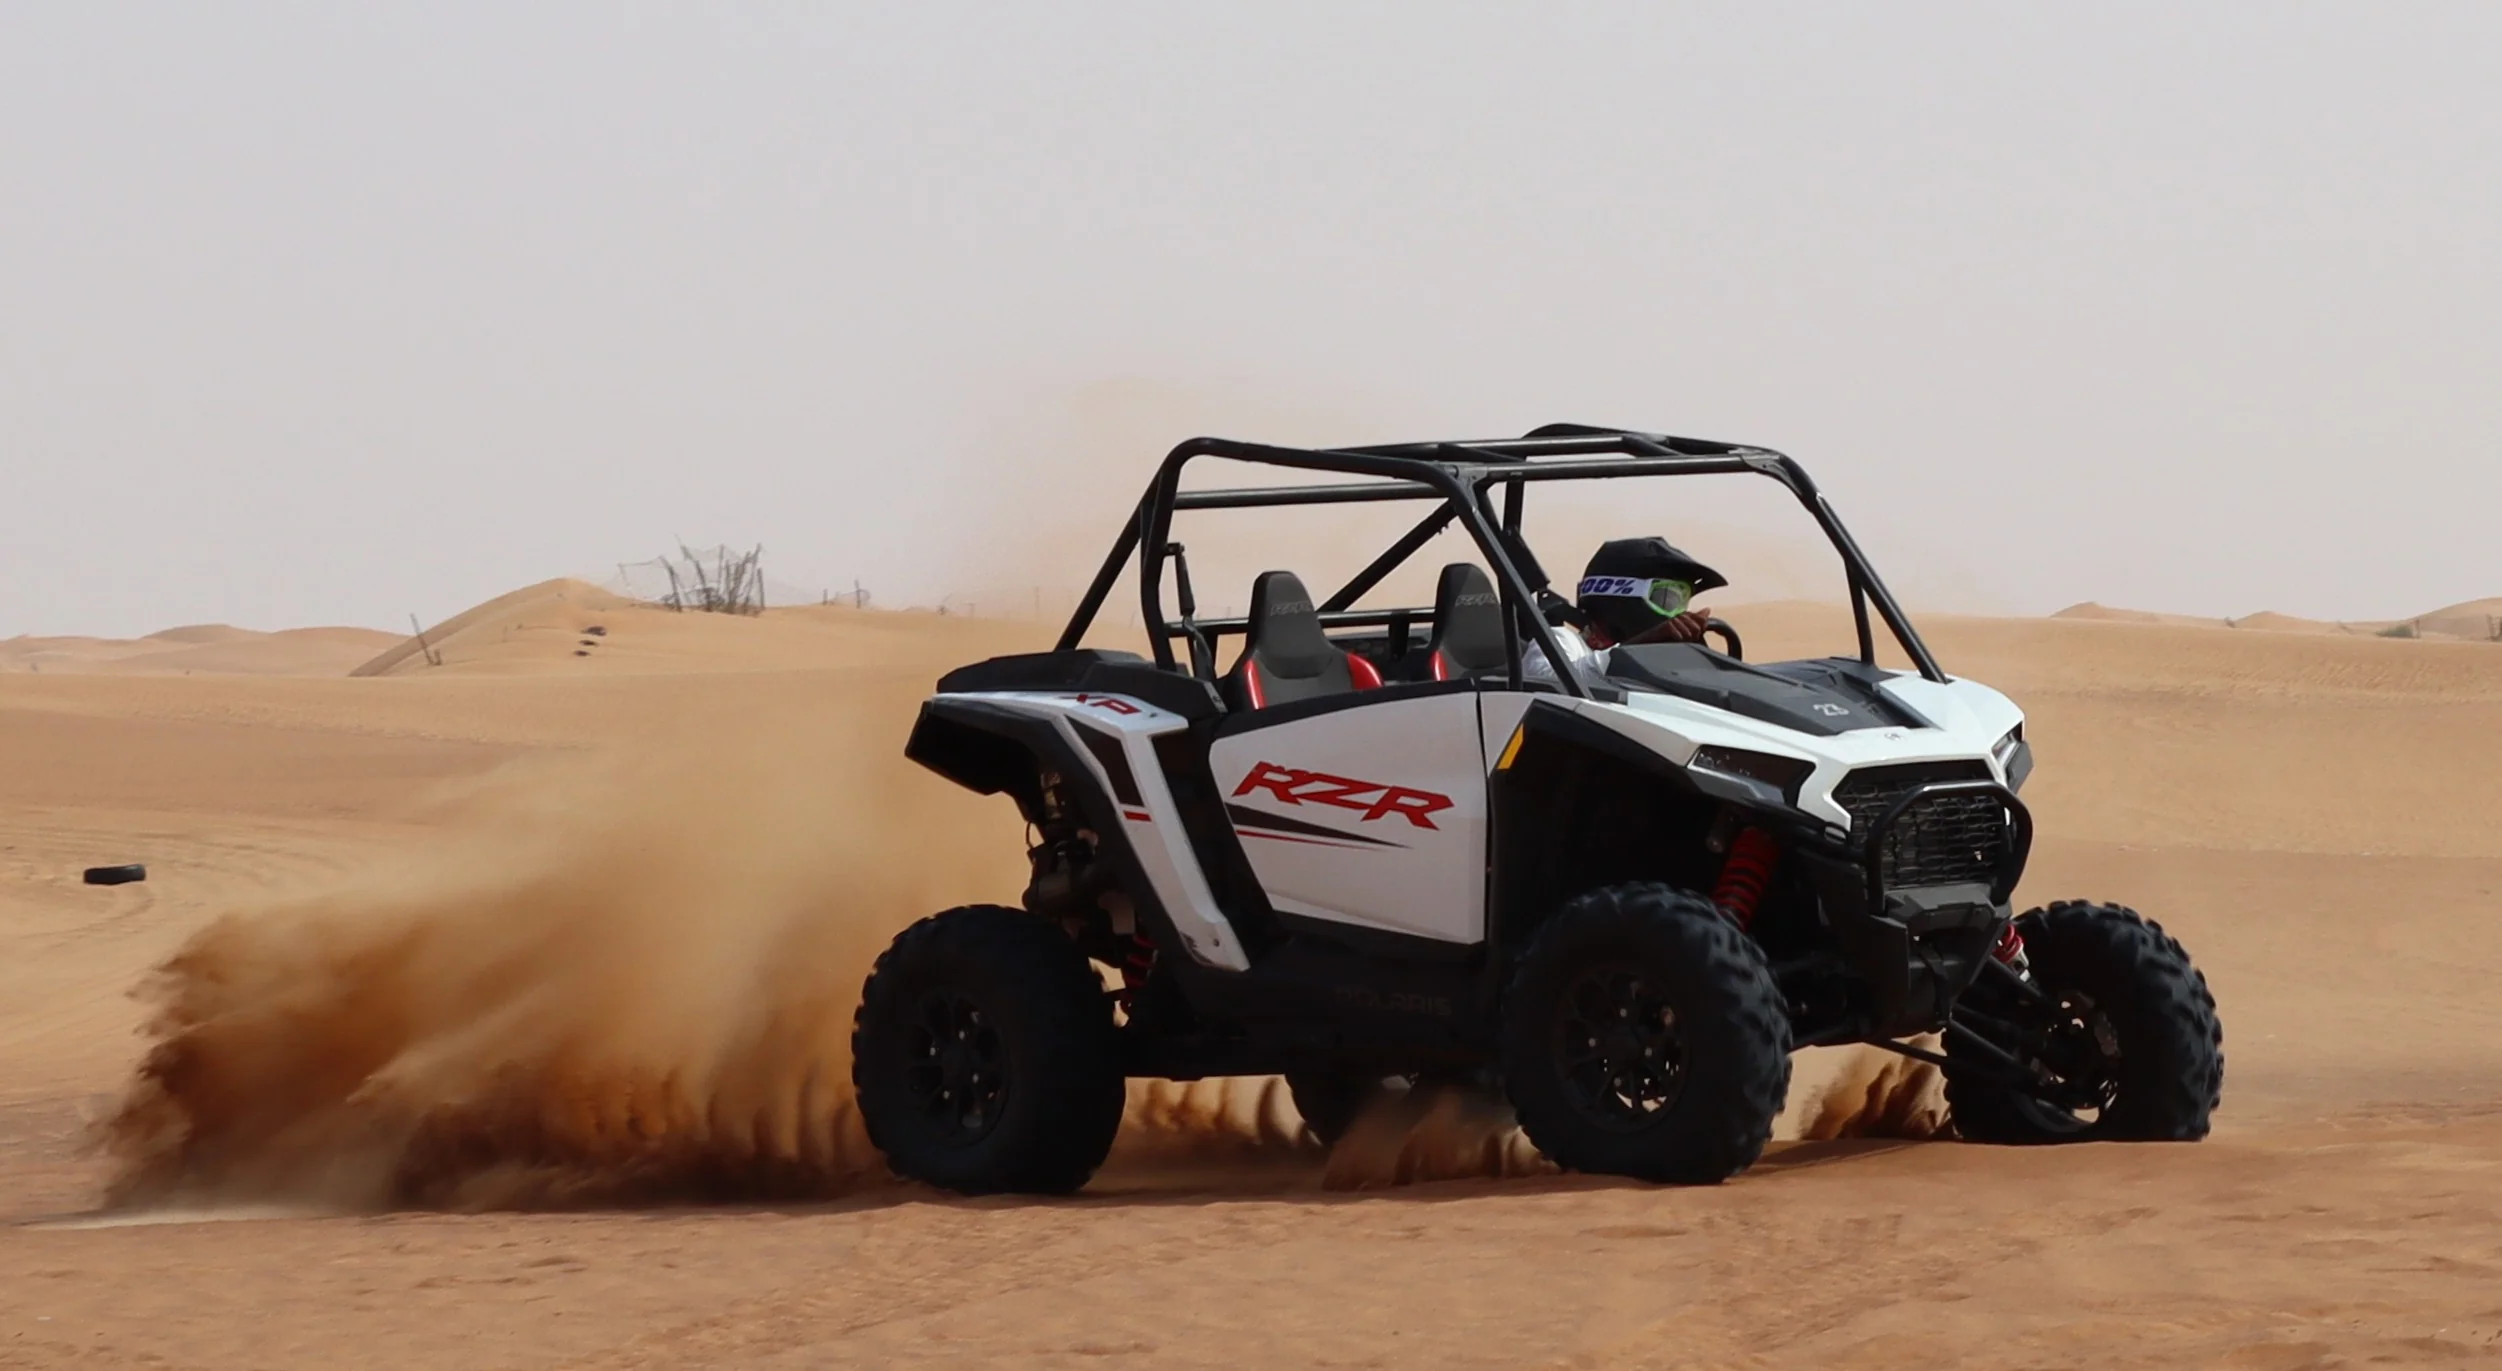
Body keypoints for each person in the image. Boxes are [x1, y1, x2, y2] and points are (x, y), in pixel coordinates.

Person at [1523, 537, 1728, 685]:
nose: (1678, 616)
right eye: (1668, 599)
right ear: (1620, 596)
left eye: (1684, 602)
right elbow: (1548, 681)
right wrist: (1645, 643)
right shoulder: (1563, 641)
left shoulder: (1662, 665)